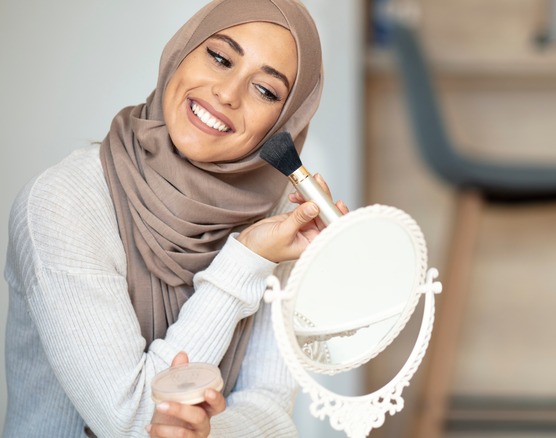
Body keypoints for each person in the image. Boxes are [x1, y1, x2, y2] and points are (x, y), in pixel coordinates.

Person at [3, 0, 347, 436]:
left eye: (265, 90)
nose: (227, 92)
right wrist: (245, 260)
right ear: (183, 50)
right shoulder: (62, 202)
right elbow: (130, 422)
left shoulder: (281, 223)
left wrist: (205, 434)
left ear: (284, 122)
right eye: (220, 58)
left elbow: (273, 411)